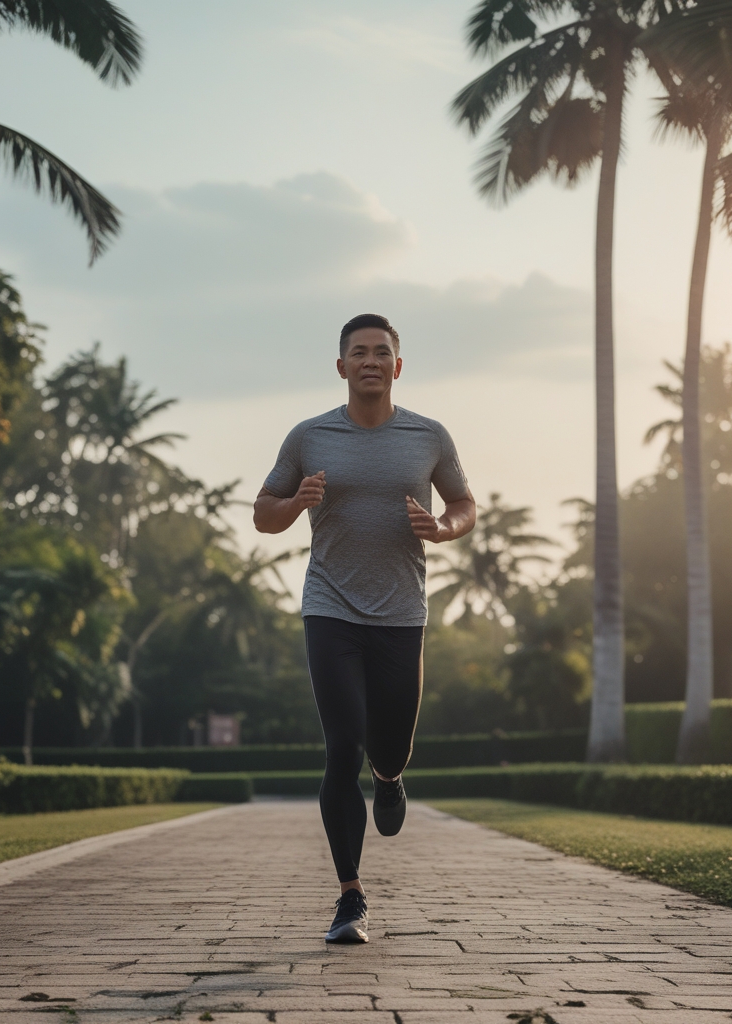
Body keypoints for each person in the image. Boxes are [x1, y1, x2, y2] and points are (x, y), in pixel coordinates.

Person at [254, 313, 476, 944]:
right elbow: (263, 513)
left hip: (402, 614)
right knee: (342, 745)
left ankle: (392, 778)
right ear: (342, 366)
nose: (371, 361)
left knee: (388, 747)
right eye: (359, 352)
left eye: (382, 352)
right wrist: (296, 503)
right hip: (330, 608)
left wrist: (445, 527)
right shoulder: (310, 436)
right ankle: (350, 896)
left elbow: (464, 504)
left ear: (397, 366)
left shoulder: (427, 436)